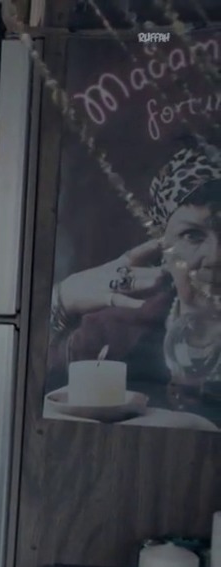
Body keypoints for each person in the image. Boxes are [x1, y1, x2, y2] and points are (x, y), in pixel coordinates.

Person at [47, 142, 221, 426]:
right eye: (192, 235)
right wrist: (62, 300)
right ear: (163, 248)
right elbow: (24, 383)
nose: (215, 257)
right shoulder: (110, 331)